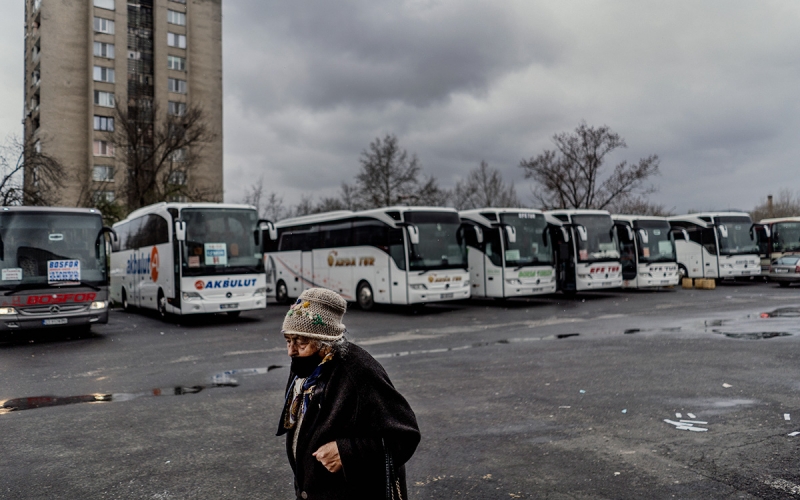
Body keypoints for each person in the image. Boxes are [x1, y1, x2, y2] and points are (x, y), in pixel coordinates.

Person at [276, 288, 420, 500]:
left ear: (325, 343)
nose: (291, 351)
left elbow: (405, 436)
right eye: (288, 341)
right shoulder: (304, 367)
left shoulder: (358, 371)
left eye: (301, 342)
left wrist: (347, 452)